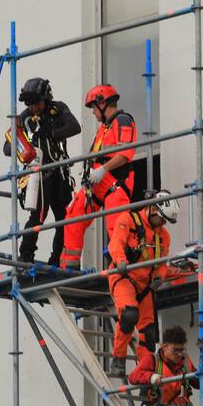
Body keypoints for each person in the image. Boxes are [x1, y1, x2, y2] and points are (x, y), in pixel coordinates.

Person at [2, 77, 81, 266]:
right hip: (38, 174)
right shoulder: (23, 118)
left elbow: (75, 127)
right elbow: (7, 147)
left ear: (45, 98)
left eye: (36, 103)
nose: (33, 108)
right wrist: (25, 148)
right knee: (37, 216)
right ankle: (26, 255)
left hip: (59, 172)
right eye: (29, 104)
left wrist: (51, 134)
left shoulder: (58, 109)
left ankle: (58, 259)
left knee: (65, 218)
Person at [61, 84, 137, 270]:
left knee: (116, 227)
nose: (93, 113)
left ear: (103, 104)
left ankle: (119, 269)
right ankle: (69, 269)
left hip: (116, 182)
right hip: (97, 183)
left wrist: (103, 169)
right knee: (73, 216)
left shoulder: (123, 121)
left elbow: (125, 153)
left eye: (94, 108)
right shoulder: (104, 128)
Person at [106, 194, 179, 377]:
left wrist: (160, 276)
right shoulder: (127, 220)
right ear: (153, 209)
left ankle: (144, 375)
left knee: (149, 333)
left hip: (145, 285)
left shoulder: (163, 236)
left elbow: (162, 262)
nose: (163, 224)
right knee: (129, 315)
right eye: (162, 219)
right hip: (123, 277)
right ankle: (118, 358)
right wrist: (121, 260)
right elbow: (116, 243)